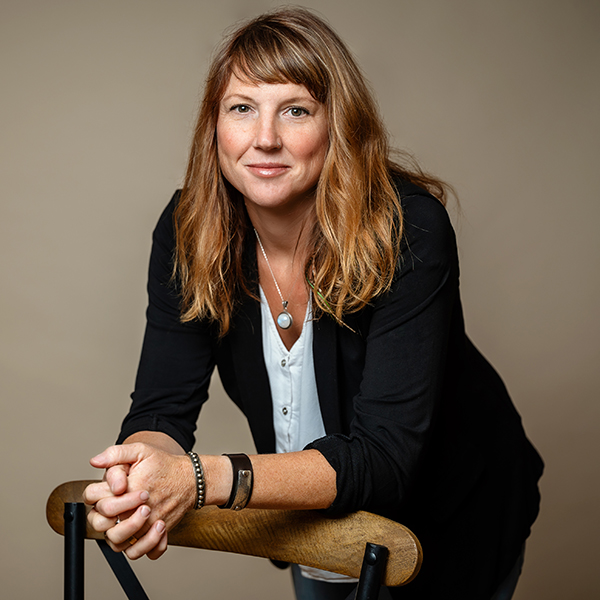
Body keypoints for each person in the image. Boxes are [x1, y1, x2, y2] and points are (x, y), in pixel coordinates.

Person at [83, 8, 543, 600]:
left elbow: (382, 459)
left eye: (295, 110)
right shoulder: (187, 228)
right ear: (213, 127)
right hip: (312, 522)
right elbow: (162, 407)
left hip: (449, 518)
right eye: (242, 108)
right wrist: (139, 473)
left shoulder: (409, 229)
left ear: (337, 125)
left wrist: (199, 479)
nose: (265, 137)